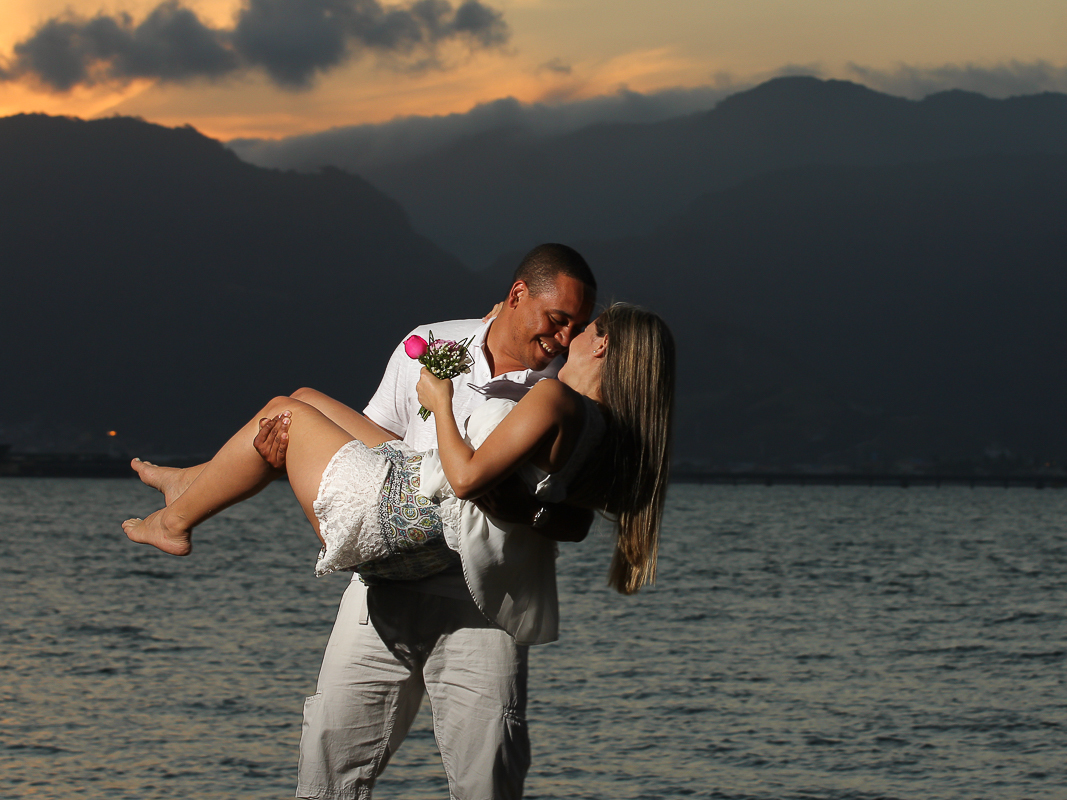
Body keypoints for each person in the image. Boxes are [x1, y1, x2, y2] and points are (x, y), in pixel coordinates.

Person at [124, 245, 673, 800]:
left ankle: (186, 500)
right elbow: (371, 445)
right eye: (557, 320)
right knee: (328, 764)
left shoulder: (566, 392)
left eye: (577, 326)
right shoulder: (433, 343)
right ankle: (193, 483)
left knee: (487, 778)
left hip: (478, 600)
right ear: (516, 296)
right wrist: (288, 452)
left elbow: (570, 521)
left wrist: (512, 506)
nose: (562, 338)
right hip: (385, 581)